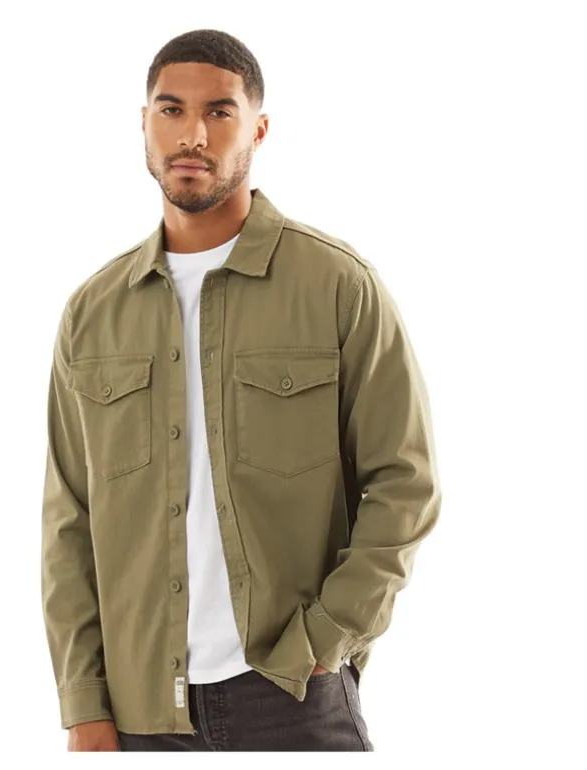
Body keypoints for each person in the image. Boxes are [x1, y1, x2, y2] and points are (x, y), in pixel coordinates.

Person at [40, 28, 441, 752]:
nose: (192, 135)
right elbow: (68, 520)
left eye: (219, 112)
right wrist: (83, 701)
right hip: (136, 712)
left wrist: (327, 638)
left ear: (257, 129)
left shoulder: (336, 285)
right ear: (144, 123)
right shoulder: (93, 312)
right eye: (171, 110)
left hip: (293, 695)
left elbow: (404, 483)